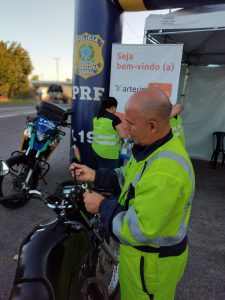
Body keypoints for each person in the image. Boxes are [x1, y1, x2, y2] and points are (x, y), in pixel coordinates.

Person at [70, 87, 195, 300]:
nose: (125, 128)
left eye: (131, 123)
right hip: (139, 259)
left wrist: (101, 206)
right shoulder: (151, 149)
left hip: (151, 267)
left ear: (152, 126)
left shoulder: (166, 172)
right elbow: (126, 178)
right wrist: (94, 176)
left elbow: (139, 229)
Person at [91, 96, 127, 170]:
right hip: (109, 154)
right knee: (111, 176)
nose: (115, 110)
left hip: (96, 150)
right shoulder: (114, 119)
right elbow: (123, 136)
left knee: (101, 172)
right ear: (113, 107)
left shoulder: (96, 117)